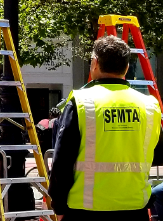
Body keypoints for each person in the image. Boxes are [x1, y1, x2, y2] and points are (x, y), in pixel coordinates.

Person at [49, 35, 163, 221]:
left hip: (86, 211)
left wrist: (59, 206)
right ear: (126, 68)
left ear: (95, 63)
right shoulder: (149, 105)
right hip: (134, 208)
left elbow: (62, 161)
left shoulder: (81, 102)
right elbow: (157, 154)